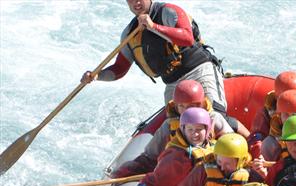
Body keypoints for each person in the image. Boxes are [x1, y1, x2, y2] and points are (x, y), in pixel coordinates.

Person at [81, 0, 227, 110]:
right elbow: (120, 68)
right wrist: (96, 76)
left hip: (199, 70)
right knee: (176, 130)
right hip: (173, 84)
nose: (136, 2)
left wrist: (153, 27)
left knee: (216, 115)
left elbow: (187, 38)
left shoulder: (168, 11)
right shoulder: (129, 33)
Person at [111, 80, 248, 178]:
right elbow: (150, 156)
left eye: (192, 105)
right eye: (182, 106)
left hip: (209, 169)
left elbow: (232, 144)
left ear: (201, 104)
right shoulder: (169, 125)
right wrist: (131, 169)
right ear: (176, 106)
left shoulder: (214, 118)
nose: (187, 111)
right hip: (179, 172)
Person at [118, 107, 215, 186]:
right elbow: (153, 183)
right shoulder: (177, 156)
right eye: (190, 129)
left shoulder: (215, 151)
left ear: (207, 129)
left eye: (199, 129)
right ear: (183, 130)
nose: (195, 134)